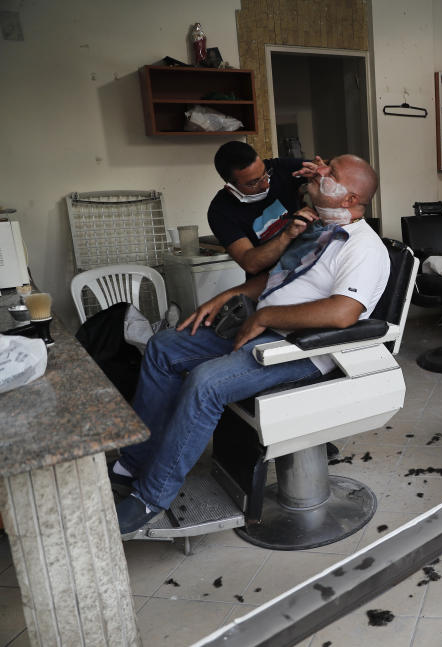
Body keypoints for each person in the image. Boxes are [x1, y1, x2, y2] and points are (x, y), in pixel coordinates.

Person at [112, 154, 389, 537]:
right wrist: (226, 297)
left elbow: (343, 312)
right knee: (163, 347)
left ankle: (151, 497)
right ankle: (138, 461)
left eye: (332, 172)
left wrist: (264, 318)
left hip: (302, 349)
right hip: (262, 328)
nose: (320, 170)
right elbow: (275, 279)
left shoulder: (364, 248)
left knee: (206, 383)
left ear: (348, 198)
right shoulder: (318, 227)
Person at [207, 141, 319, 275]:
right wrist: (287, 235)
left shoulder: (278, 168)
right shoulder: (220, 211)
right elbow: (250, 263)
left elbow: (324, 167)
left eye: (265, 174)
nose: (266, 185)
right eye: (254, 183)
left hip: (309, 265)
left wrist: (321, 169)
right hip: (270, 280)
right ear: (231, 187)